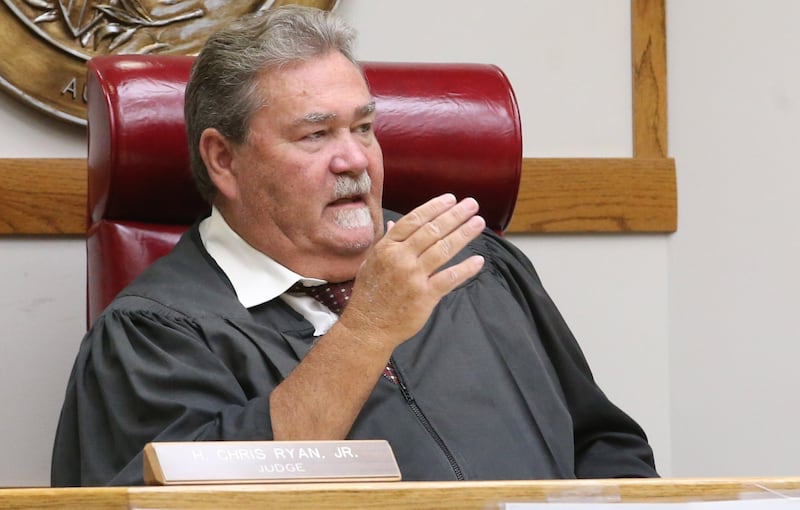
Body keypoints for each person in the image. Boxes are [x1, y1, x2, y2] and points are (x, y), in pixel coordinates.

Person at [51, 5, 658, 486]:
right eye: (316, 134)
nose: (355, 159)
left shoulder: (474, 264)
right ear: (223, 158)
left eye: (363, 128)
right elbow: (203, 499)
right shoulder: (153, 335)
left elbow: (604, 447)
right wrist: (368, 328)